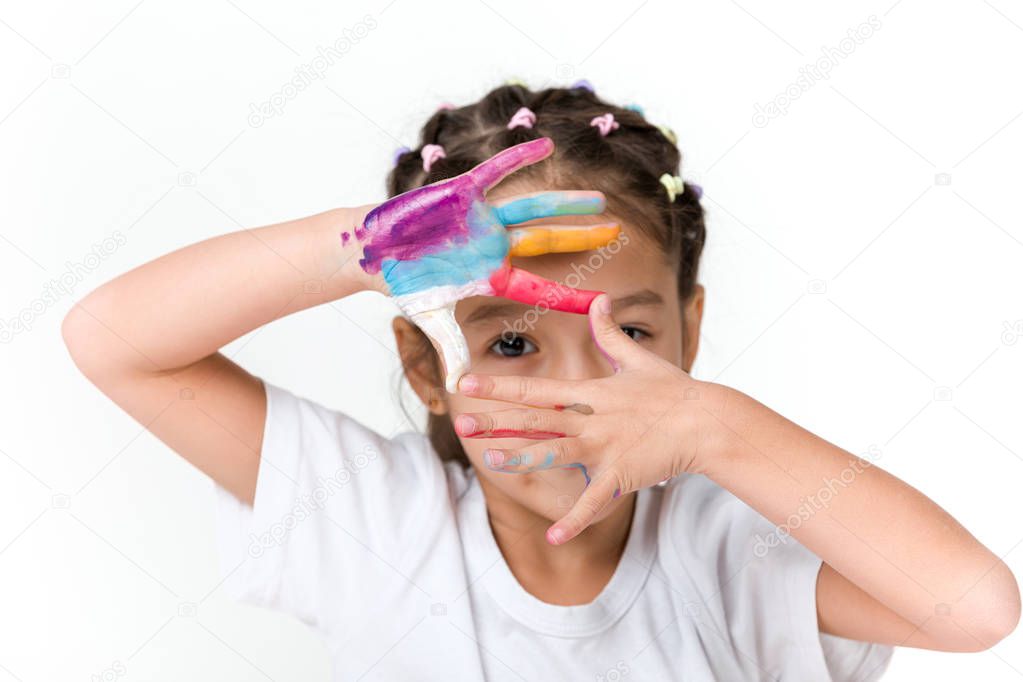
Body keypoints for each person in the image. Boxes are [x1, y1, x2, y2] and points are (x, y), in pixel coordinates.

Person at [63, 83, 1020, 681]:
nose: (577, 391)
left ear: (690, 333)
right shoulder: (370, 521)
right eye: (513, 346)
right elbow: (111, 339)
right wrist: (367, 247)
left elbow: (974, 610)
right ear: (423, 367)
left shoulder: (733, 545)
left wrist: (715, 428)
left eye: (631, 330)